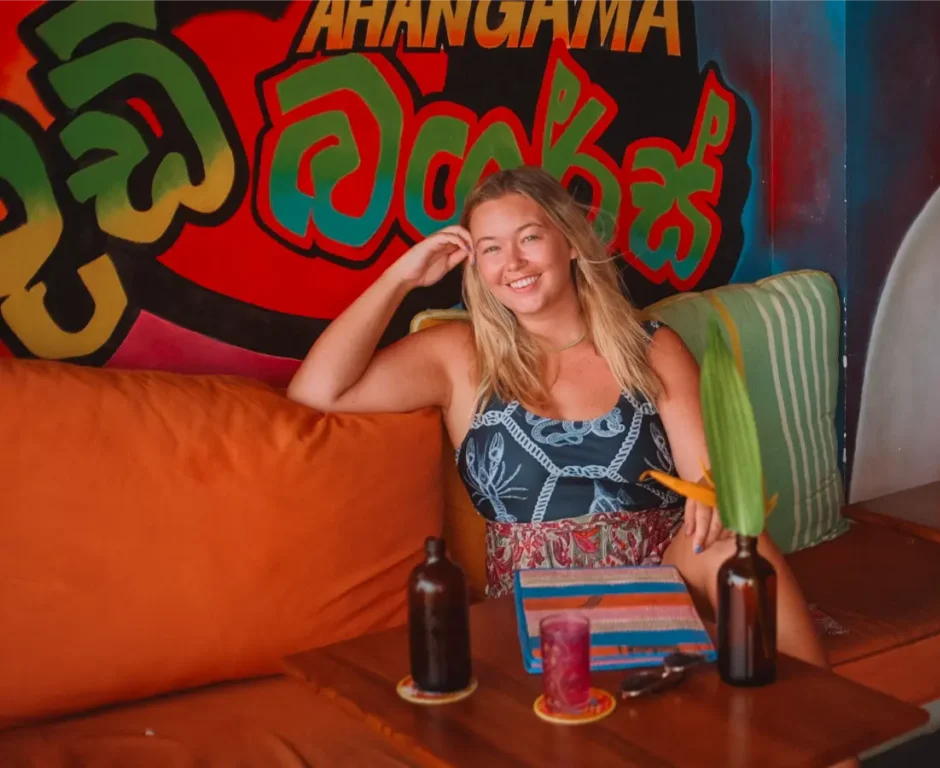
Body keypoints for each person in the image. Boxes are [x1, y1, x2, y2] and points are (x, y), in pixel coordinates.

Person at [287, 166, 828, 670]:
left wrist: (711, 492)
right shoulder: (456, 354)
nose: (513, 263)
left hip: (666, 571)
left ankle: (828, 741)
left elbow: (706, 485)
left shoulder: (650, 347)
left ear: (568, 242)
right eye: (491, 248)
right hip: (539, 596)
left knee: (736, 543)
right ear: (476, 265)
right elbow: (317, 391)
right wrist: (400, 279)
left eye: (529, 237)